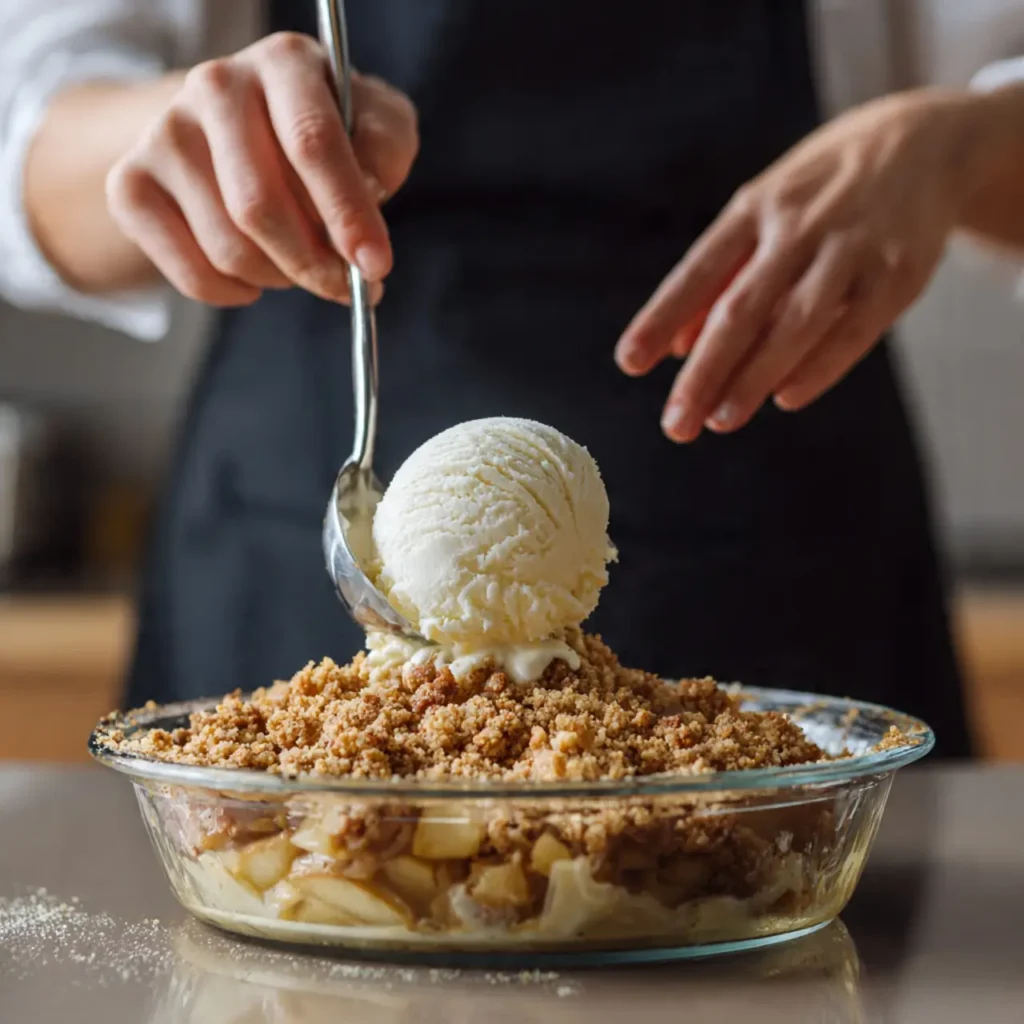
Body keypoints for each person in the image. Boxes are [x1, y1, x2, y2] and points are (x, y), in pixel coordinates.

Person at [3, 2, 1024, 758]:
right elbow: (30, 127)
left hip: (786, 515)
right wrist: (173, 138)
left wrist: (958, 145)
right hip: (295, 493)